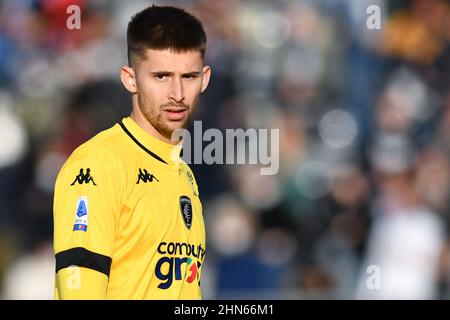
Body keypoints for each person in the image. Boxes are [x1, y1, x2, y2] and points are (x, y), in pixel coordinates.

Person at [53, 5, 211, 299]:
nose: (177, 93)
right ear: (130, 78)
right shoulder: (99, 164)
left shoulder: (183, 174)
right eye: (161, 76)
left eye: (188, 77)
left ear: (204, 79)